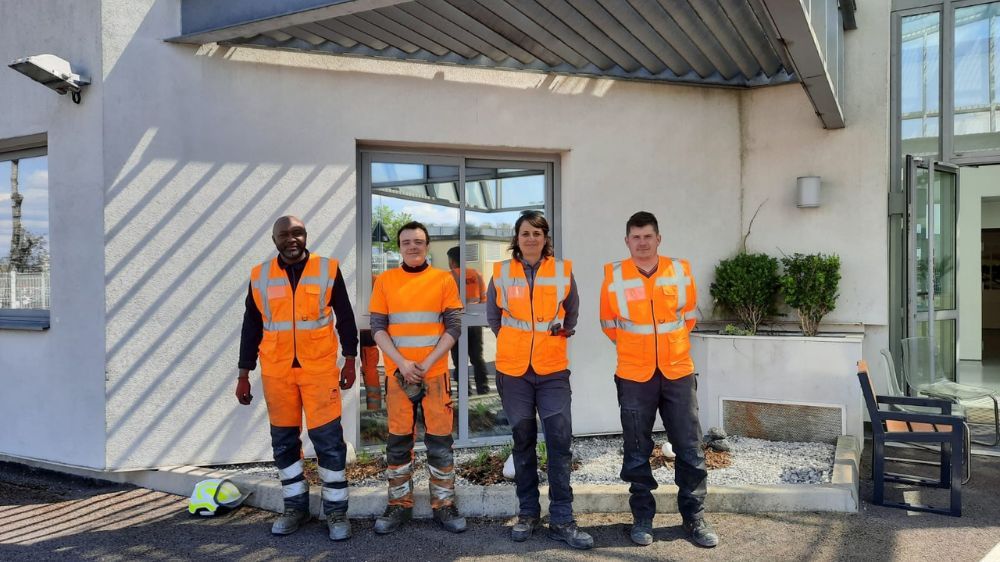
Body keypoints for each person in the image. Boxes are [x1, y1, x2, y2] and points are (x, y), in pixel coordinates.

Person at [599, 211, 718, 548]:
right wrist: (637, 351)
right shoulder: (614, 275)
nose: (642, 243)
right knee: (636, 450)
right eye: (635, 237)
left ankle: (694, 517)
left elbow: (688, 317)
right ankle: (642, 518)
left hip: (677, 371)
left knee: (689, 447)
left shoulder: (679, 270)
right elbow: (608, 323)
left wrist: (668, 349)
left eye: (648, 236)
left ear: (658, 238)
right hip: (634, 375)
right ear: (627, 241)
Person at [235, 215, 358, 540]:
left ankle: (336, 514)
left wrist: (350, 359)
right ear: (274, 239)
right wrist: (244, 373)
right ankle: (295, 508)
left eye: (298, 232)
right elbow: (251, 325)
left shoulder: (327, 269)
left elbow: (345, 317)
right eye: (284, 234)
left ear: (305, 235)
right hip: (277, 374)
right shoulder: (260, 276)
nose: (292, 239)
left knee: (329, 445)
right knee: (285, 444)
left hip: (319, 372)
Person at [487, 211, 592, 550]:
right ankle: (528, 513)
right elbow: (494, 317)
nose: (531, 238)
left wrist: (557, 334)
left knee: (560, 443)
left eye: (537, 233)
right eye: (525, 232)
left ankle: (562, 518)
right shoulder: (501, 272)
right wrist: (515, 343)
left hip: (552, 370)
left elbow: (572, 311)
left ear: (546, 238)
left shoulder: (562, 270)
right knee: (523, 439)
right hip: (514, 371)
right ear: (516, 238)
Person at [369, 221, 467, 534]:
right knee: (398, 442)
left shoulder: (443, 280)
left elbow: (454, 327)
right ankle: (399, 505)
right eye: (407, 241)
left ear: (427, 246)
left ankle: (445, 505)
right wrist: (402, 363)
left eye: (419, 241)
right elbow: (378, 328)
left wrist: (424, 362)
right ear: (399, 246)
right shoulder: (385, 281)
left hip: (435, 374)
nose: (413, 246)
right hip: (399, 375)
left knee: (440, 442)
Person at [447, 246, 490, 395]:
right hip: (475, 321)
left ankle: (465, 390)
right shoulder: (476, 274)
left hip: (457, 322)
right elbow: (484, 297)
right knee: (477, 357)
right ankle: (483, 388)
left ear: (452, 261)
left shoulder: (449, 276)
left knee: (459, 358)